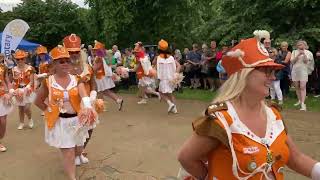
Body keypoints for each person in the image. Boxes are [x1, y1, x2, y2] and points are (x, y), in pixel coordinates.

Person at [177, 30, 320, 180]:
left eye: (273, 71)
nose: (272, 76)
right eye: (266, 71)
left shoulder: (273, 115)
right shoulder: (221, 120)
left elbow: (295, 158)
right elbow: (186, 158)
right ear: (244, 74)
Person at [34, 45, 97, 180]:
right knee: (68, 152)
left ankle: (78, 154)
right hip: (60, 123)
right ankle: (72, 177)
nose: (66, 63)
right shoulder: (48, 81)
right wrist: (48, 110)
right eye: (61, 61)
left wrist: (88, 105)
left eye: (67, 61)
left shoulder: (76, 78)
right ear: (54, 64)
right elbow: (38, 101)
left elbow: (83, 93)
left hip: (77, 121)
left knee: (78, 149)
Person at [63, 34, 97, 164]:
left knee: (89, 128)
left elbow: (93, 83)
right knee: (74, 130)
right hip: (71, 105)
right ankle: (74, 155)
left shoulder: (87, 67)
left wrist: (93, 95)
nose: (74, 54)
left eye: (76, 52)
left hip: (88, 103)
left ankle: (80, 151)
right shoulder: (63, 69)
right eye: (71, 52)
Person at [92, 41, 123, 111]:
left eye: (96, 49)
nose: (94, 51)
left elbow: (95, 68)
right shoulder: (101, 57)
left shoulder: (99, 57)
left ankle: (101, 107)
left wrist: (89, 70)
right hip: (102, 76)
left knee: (100, 91)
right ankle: (118, 100)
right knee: (105, 91)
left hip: (100, 76)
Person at [11, 50, 35, 130]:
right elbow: (13, 81)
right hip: (18, 90)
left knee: (26, 108)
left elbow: (31, 81)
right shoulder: (13, 69)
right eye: (18, 59)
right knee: (20, 108)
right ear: (15, 60)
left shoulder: (30, 68)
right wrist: (14, 91)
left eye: (22, 59)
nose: (20, 61)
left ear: (25, 59)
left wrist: (27, 88)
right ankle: (21, 122)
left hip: (28, 90)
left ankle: (30, 119)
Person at [156, 39, 181, 113]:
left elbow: (158, 69)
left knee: (160, 93)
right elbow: (177, 66)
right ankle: (174, 108)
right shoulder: (171, 57)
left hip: (164, 78)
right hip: (171, 78)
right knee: (170, 93)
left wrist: (158, 78)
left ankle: (170, 104)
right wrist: (175, 75)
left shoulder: (159, 58)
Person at [290, 40, 314, 111]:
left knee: (302, 86)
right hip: (295, 71)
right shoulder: (294, 52)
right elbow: (292, 62)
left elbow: (306, 62)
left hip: (303, 71)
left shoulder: (308, 52)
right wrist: (298, 55)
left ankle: (303, 104)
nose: (300, 46)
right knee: (297, 87)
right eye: (299, 45)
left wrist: (304, 54)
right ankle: (299, 100)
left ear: (305, 45)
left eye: (301, 44)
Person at [0, 53, 14, 152]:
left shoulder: (3, 67)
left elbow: (7, 81)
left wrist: (11, 92)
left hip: (3, 97)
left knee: (3, 121)